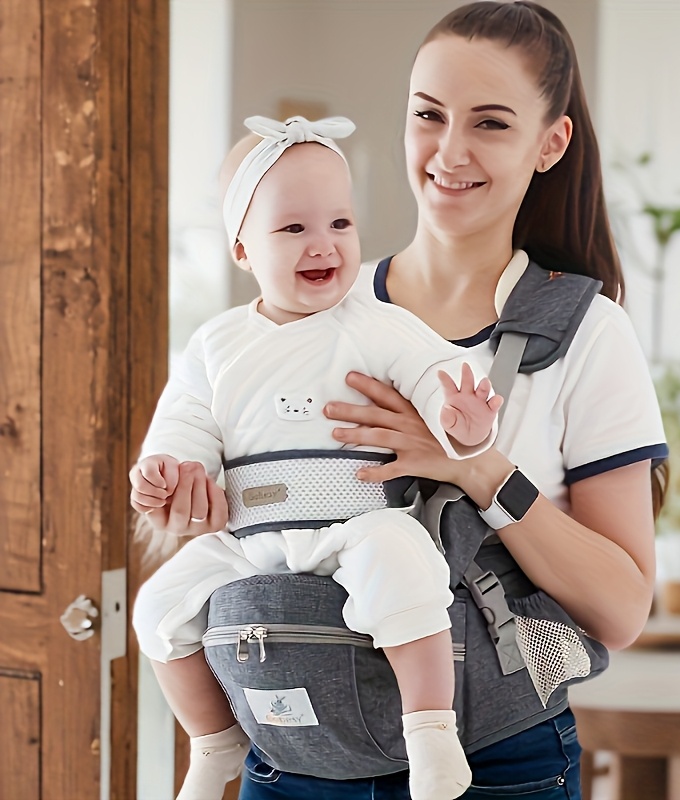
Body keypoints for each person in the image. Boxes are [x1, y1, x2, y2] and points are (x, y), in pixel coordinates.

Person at [144, 2, 668, 798]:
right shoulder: (306, 303)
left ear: (549, 142)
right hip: (295, 756)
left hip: (491, 759)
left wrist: (476, 467)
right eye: (429, 115)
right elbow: (235, 501)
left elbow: (622, 612)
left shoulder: (587, 334)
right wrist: (195, 502)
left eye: (490, 123)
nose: (449, 151)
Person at [131, 114, 503, 800]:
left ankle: (429, 731)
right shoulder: (216, 345)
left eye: (340, 224)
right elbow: (183, 426)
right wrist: (166, 471)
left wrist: (464, 422)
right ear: (242, 249)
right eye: (293, 229)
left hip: (355, 515)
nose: (322, 245)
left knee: (404, 563)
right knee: (157, 607)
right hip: (248, 536)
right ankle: (213, 742)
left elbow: (436, 376)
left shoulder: (375, 323)